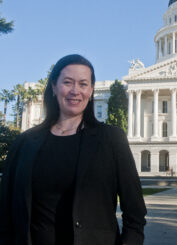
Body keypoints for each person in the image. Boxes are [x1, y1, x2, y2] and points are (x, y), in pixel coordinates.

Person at [0, 54, 147, 245]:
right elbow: (4, 210)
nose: (75, 91)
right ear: (53, 86)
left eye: (83, 84)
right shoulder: (24, 142)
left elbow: (135, 213)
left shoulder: (111, 140)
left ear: (91, 90)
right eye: (68, 82)